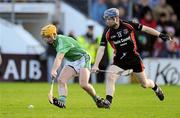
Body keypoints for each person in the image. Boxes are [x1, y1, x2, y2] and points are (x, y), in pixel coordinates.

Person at [92, 8, 172, 108]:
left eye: (109, 19)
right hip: (119, 60)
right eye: (106, 19)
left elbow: (146, 29)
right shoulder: (107, 31)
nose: (107, 21)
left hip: (134, 59)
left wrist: (160, 35)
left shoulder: (128, 25)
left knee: (144, 84)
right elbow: (101, 48)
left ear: (116, 18)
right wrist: (96, 65)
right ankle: (108, 101)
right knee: (110, 77)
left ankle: (155, 87)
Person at [41, 24, 104, 108]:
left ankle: (97, 99)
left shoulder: (62, 42)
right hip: (72, 60)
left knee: (83, 84)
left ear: (54, 35)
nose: (46, 39)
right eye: (45, 37)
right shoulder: (54, 41)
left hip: (83, 58)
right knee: (61, 80)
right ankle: (62, 102)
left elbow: (59, 58)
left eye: (48, 37)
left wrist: (54, 70)